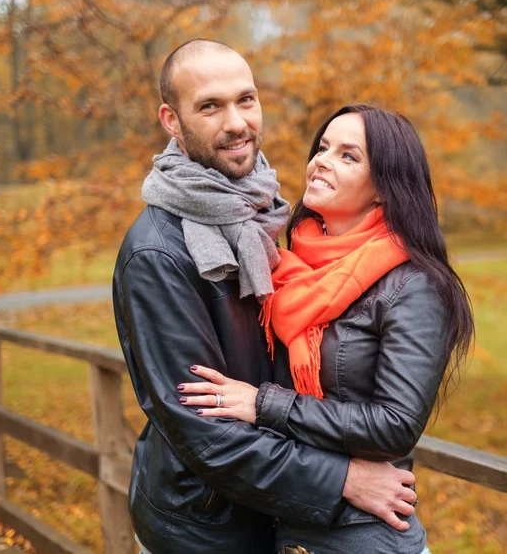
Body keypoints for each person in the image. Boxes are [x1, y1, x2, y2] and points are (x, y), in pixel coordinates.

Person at [113, 41, 418, 554]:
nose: (237, 123)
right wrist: (341, 479)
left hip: (273, 513)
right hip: (204, 528)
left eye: (246, 100)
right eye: (210, 106)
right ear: (171, 120)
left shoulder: (259, 213)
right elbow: (203, 429)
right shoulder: (158, 255)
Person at [178, 103, 475, 554]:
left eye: (348, 156)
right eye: (323, 148)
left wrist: (263, 404)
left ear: (384, 189)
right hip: (288, 525)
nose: (322, 160)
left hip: (362, 536)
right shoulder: (283, 265)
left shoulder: (414, 285)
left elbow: (395, 426)